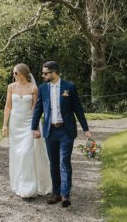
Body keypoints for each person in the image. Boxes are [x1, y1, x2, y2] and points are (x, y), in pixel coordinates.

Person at [31, 61, 92, 208]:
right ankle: (56, 193)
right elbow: (38, 109)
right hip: (50, 131)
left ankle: (65, 195)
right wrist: (34, 128)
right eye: (43, 73)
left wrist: (86, 129)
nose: (43, 75)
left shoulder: (69, 87)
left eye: (46, 73)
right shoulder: (43, 88)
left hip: (66, 131)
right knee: (54, 164)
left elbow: (78, 109)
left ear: (54, 73)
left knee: (64, 161)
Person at [2, 63, 52, 198]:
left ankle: (28, 188)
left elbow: (35, 109)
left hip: (28, 124)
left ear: (24, 73)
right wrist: (4, 125)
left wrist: (35, 127)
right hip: (15, 125)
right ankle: (20, 183)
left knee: (26, 153)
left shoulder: (33, 88)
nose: (13, 75)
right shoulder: (11, 87)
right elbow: (8, 106)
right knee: (18, 155)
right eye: (13, 73)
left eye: (15, 73)